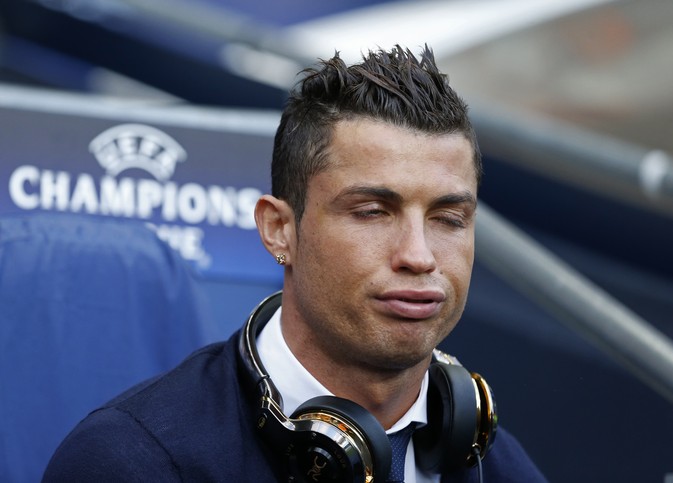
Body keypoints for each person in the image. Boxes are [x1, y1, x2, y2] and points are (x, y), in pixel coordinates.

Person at [43, 45, 548, 482]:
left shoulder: (491, 461)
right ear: (279, 230)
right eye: (372, 212)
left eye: (448, 218)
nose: (418, 255)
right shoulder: (133, 461)